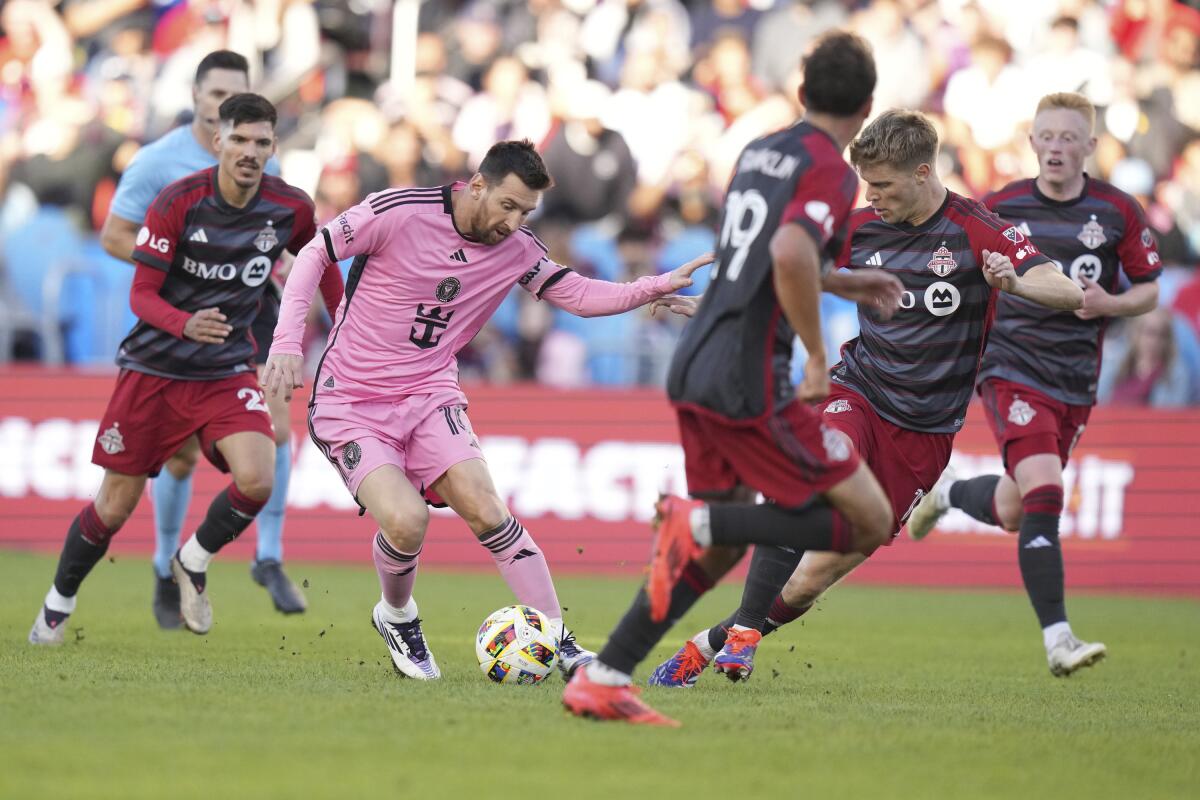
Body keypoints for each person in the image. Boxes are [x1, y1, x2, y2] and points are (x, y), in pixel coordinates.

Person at [636, 108, 1084, 707]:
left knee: (811, 578)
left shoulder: (977, 228)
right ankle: (743, 632)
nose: (871, 197)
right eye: (865, 185)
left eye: (883, 185)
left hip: (924, 432)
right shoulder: (860, 227)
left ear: (924, 172)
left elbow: (1070, 290)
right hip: (858, 390)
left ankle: (713, 640)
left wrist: (1017, 284)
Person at [262, 139, 706, 683]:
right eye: (508, 206)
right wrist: (286, 343)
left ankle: (556, 639)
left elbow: (581, 296)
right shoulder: (398, 211)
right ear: (478, 186)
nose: (514, 222)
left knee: (487, 508)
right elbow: (314, 253)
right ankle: (397, 615)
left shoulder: (518, 249)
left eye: (526, 213)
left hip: (429, 394)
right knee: (407, 521)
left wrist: (653, 287)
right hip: (350, 400)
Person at [562, 31, 904, 727]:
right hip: (751, 373)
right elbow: (785, 253)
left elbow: (778, 257)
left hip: (698, 360)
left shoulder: (757, 150)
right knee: (869, 518)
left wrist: (846, 279)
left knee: (714, 554)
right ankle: (699, 519)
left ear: (801, 92)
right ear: (867, 107)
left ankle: (604, 675)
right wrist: (815, 353)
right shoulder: (832, 172)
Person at [29, 94, 343, 644]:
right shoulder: (179, 201)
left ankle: (192, 560)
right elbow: (142, 295)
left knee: (259, 477)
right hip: (155, 368)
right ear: (218, 140)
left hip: (225, 369)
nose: (249, 152)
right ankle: (57, 604)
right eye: (239, 139)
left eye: (261, 142)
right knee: (114, 506)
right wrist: (185, 324)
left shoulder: (289, 207)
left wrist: (344, 324)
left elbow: (319, 262)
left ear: (273, 147)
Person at [906, 92, 1164, 676]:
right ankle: (1058, 639)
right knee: (1045, 491)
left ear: (1090, 148)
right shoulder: (1001, 206)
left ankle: (946, 494)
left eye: (1069, 137)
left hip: (1076, 380)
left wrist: (1112, 303)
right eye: (1046, 135)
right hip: (1010, 368)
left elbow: (1150, 287)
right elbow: (952, 265)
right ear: (1031, 142)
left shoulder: (1118, 210)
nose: (1056, 146)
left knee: (1019, 506)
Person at [101, 50, 320, 624]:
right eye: (216, 92)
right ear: (198, 100)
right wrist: (183, 267)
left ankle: (268, 556)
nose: (226, 102)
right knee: (178, 459)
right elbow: (114, 235)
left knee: (275, 427)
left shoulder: (259, 159)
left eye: (237, 91)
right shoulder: (158, 162)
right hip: (184, 321)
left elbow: (285, 236)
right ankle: (162, 564)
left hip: (254, 312)